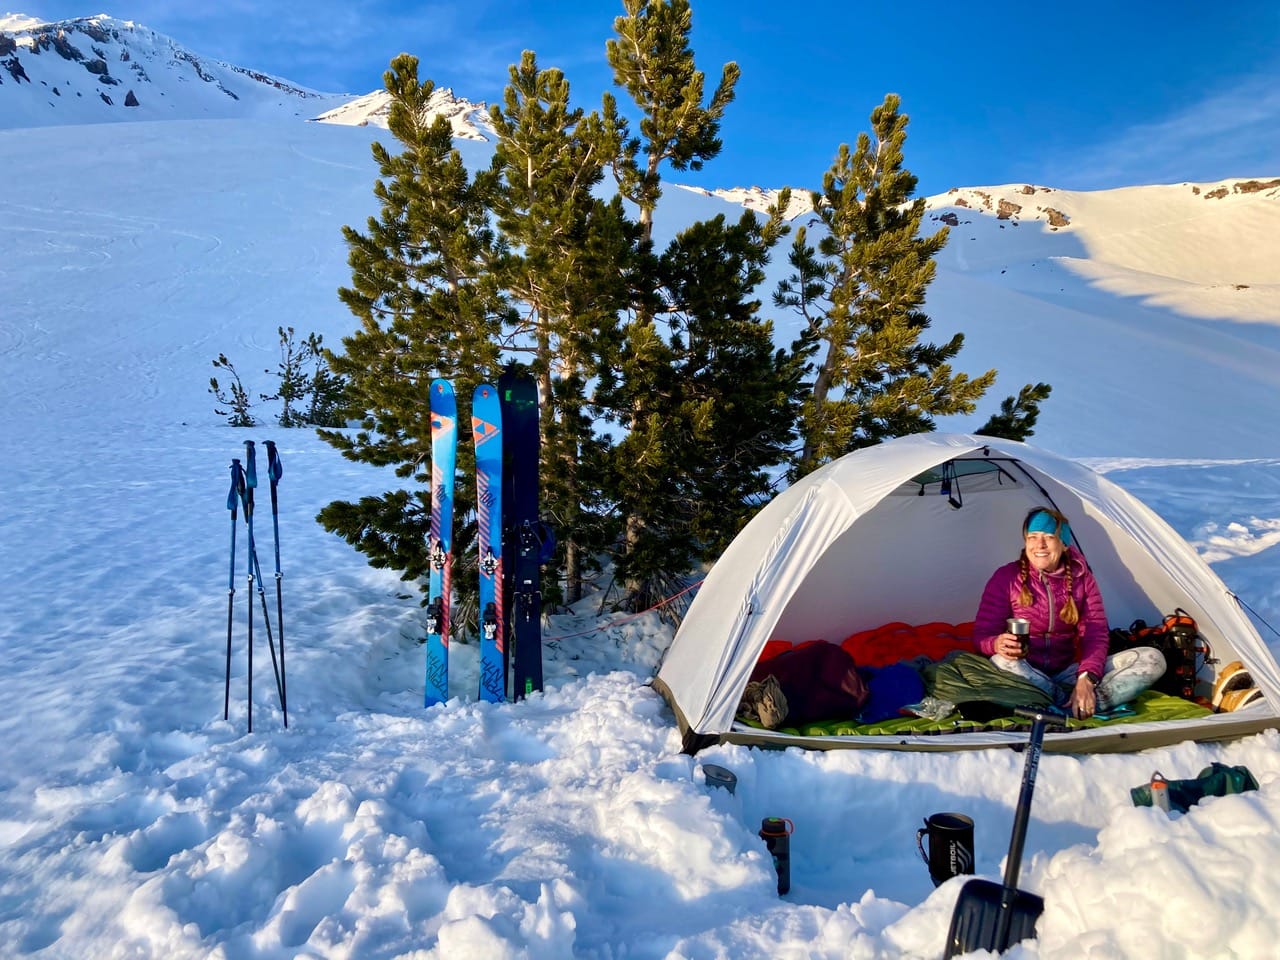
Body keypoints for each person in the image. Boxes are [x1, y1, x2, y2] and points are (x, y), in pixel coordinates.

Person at [973, 507, 1166, 719]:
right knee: (1001, 662)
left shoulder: (1083, 579)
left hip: (1068, 672)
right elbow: (982, 636)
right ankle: (1074, 705)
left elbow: (1096, 633)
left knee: (1152, 659)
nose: (1040, 545)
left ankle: (1070, 703)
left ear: (1064, 544)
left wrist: (1086, 678)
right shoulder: (1006, 578)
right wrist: (996, 643)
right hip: (1024, 671)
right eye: (1033, 537)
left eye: (1049, 537)